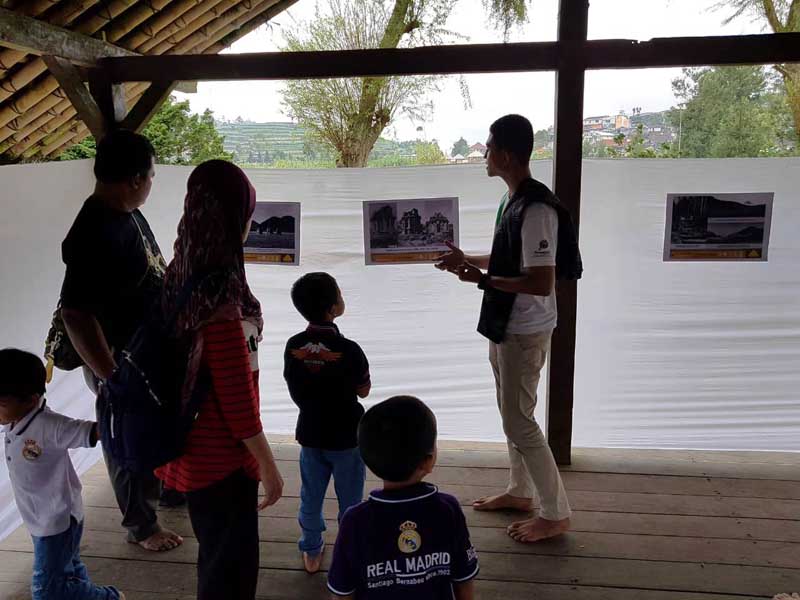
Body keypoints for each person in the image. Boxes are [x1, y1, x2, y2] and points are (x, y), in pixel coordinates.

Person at [435, 114, 572, 543]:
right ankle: (519, 491)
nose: (485, 152)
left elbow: (540, 280)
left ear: (507, 155)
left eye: (489, 146)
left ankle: (556, 512)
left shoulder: (536, 209)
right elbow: (513, 263)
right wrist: (469, 260)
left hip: (524, 330)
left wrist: (480, 279)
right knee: (512, 415)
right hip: (505, 324)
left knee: (518, 420)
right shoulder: (512, 201)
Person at [154, 159, 284, 600]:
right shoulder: (221, 293)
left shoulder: (180, 271)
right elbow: (235, 395)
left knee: (214, 554)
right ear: (233, 218)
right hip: (221, 459)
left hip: (190, 448)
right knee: (231, 569)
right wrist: (267, 464)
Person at [60, 129, 184, 552]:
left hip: (144, 354)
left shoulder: (125, 212)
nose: (152, 183)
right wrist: (111, 376)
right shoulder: (94, 230)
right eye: (150, 176)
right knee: (126, 439)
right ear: (134, 178)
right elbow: (75, 313)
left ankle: (168, 490)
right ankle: (142, 525)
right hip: (118, 360)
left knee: (153, 427)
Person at [0, 348, 125, 600]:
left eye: (1, 404)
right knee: (68, 567)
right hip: (38, 519)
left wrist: (124, 420)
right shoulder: (15, 421)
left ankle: (108, 598)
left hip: (58, 520)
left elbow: (89, 431)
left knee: (47, 591)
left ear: (31, 399)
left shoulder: (48, 425)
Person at [328, 395, 479, 600]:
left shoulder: (354, 520)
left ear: (365, 458)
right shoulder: (448, 509)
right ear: (428, 461)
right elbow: (464, 579)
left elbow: (343, 591)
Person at [284, 272, 371, 574]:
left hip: (310, 433)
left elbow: (294, 388)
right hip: (347, 437)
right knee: (350, 501)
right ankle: (349, 551)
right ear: (333, 308)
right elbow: (363, 389)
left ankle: (311, 547)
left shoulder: (293, 345)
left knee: (310, 496)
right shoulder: (350, 350)